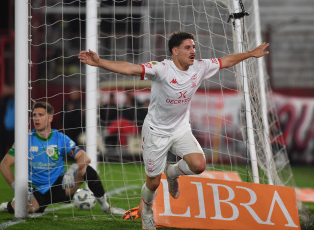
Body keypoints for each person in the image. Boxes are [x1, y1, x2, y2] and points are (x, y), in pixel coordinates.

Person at [79, 31, 269, 229]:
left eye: (194, 47)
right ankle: (147, 211)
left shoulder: (200, 67)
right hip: (155, 132)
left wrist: (250, 53)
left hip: (180, 128)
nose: (193, 51)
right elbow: (130, 69)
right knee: (152, 183)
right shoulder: (162, 69)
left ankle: (172, 172)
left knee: (198, 165)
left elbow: (226, 61)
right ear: (175, 51)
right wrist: (100, 62)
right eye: (188, 48)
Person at [0, 102, 113, 214]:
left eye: (41, 115)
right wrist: (16, 188)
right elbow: (4, 165)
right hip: (36, 190)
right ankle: (10, 205)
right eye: (34, 115)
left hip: (60, 186)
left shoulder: (60, 138)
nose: (36, 119)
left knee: (85, 169)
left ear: (50, 118)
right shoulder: (26, 139)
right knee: (25, 210)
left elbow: (85, 157)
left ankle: (105, 207)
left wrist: (72, 169)